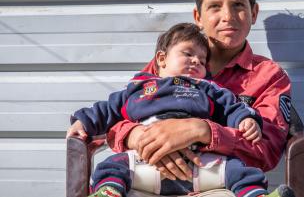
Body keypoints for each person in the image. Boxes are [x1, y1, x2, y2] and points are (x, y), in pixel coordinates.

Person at [68, 0, 294, 197]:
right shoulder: (170, 64)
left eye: (238, 4)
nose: (227, 16)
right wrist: (139, 136)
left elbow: (266, 149)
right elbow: (122, 109)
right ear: (198, 16)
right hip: (148, 172)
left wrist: (201, 130)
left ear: (254, 12)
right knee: (113, 175)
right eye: (215, 6)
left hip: (219, 180)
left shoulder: (269, 76)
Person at [68, 22, 273, 197]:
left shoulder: (206, 88)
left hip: (199, 163)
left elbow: (231, 106)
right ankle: (109, 191)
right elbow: (107, 108)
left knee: (239, 169)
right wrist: (83, 121)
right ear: (161, 59)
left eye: (202, 61)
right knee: (112, 166)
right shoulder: (138, 87)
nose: (195, 61)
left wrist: (246, 119)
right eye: (187, 53)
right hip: (145, 162)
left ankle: (256, 193)